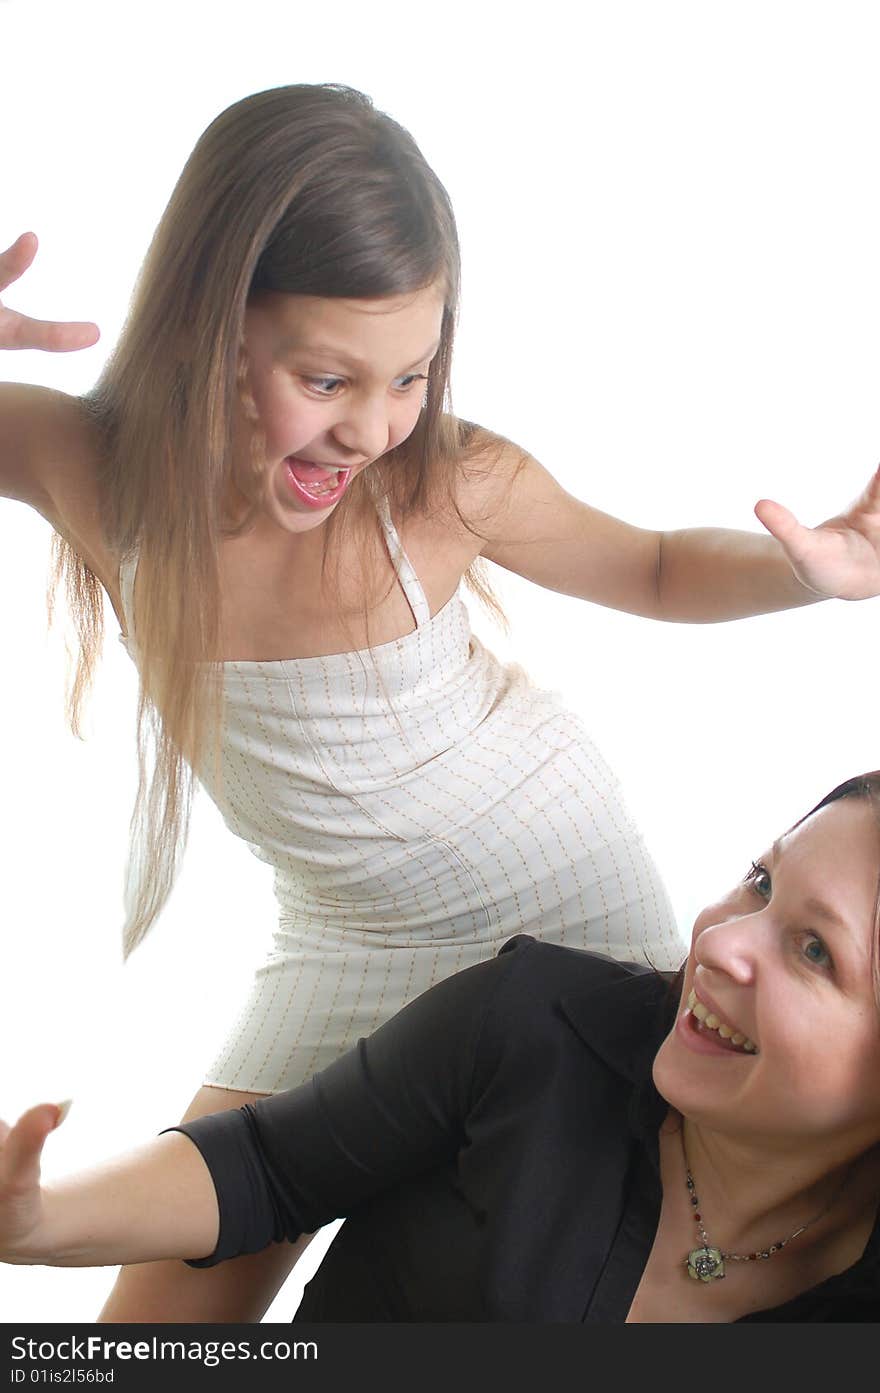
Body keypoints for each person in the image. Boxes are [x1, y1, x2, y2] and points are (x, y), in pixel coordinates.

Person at [3, 83, 880, 1322]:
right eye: (325, 377)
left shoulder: (445, 489)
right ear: (211, 325)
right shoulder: (86, 469)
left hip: (551, 898)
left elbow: (654, 566)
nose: (371, 425)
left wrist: (810, 572)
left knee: (527, 1278)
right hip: (342, 930)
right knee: (159, 1322)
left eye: (408, 374)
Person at [2, 770, 879, 1322]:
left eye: (813, 949)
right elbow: (269, 1170)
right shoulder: (537, 1022)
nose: (722, 942)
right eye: (759, 881)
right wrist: (39, 1222)